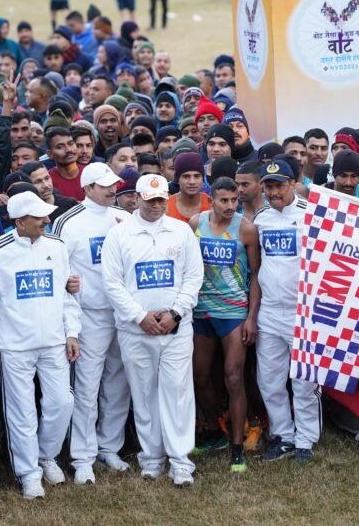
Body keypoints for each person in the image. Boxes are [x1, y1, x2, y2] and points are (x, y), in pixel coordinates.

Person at [0, 191, 81, 499]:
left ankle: (46, 455)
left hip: (54, 342)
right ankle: (29, 473)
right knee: (22, 412)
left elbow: (66, 295)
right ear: (19, 222)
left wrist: (72, 332)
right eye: (38, 217)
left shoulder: (56, 246)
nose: (46, 220)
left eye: (46, 215)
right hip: (14, 346)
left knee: (62, 403)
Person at [101, 174, 204, 485]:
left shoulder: (181, 231)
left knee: (178, 392)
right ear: (137, 199)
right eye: (150, 200)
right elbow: (112, 284)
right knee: (144, 394)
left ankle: (180, 461)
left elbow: (194, 276)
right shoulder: (119, 235)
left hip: (176, 329)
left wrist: (175, 313)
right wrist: (139, 316)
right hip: (136, 331)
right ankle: (151, 458)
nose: (157, 205)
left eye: (161, 199)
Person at [52, 164, 133, 483]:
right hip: (88, 315)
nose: (112, 189)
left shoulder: (123, 217)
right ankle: (82, 456)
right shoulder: (69, 221)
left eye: (114, 184)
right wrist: (67, 288)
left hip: (122, 312)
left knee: (118, 382)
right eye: (104, 185)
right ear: (87, 188)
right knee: (87, 386)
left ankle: (109, 447)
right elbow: (57, 265)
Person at [188, 177, 261, 471]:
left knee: (234, 378)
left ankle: (236, 447)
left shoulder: (245, 228)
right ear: (211, 200)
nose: (230, 206)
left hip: (233, 312)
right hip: (201, 311)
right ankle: (215, 430)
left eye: (234, 200)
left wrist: (251, 317)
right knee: (199, 377)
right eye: (224, 200)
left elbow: (256, 275)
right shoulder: (196, 223)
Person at [253, 160, 320, 462]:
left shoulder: (312, 215)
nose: (274, 192)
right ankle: (284, 436)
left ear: (294, 184)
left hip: (302, 312)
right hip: (269, 311)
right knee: (269, 379)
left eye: (279, 185)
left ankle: (306, 439)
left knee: (304, 381)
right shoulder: (261, 218)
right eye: (268, 187)